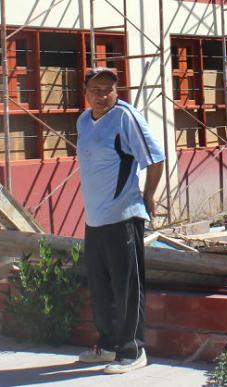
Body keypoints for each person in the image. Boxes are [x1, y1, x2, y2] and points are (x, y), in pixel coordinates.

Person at [74, 67, 166, 374]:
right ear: (85, 92)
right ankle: (109, 344)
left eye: (108, 90)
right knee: (100, 287)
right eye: (96, 89)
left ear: (117, 91)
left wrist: (149, 196)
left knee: (127, 287)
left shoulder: (126, 117)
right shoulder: (84, 121)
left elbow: (155, 159)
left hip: (123, 216)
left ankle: (133, 349)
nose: (102, 95)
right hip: (95, 220)